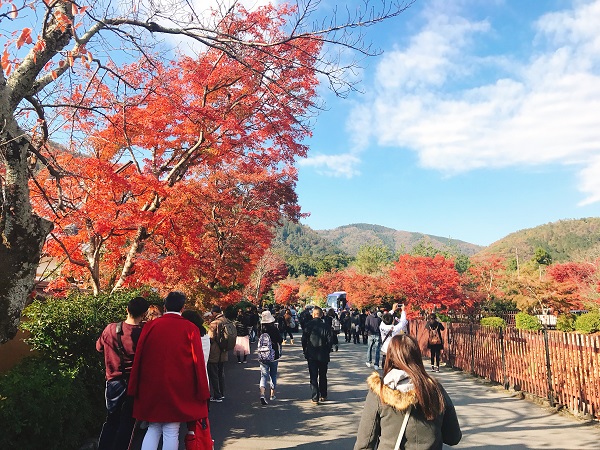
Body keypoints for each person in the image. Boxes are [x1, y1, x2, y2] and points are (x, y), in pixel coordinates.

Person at [127, 292, 210, 450]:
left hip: (151, 386)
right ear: (182, 307)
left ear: (164, 306)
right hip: (179, 387)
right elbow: (198, 363)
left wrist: (134, 387)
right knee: (172, 430)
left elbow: (139, 358)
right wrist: (203, 392)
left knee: (153, 427)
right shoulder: (191, 328)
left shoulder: (150, 326)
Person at [354, 334, 462, 450]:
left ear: (390, 357)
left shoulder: (379, 392)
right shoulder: (435, 389)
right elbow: (453, 437)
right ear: (417, 356)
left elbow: (365, 443)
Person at [96, 296, 149, 450]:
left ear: (127, 309)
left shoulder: (111, 328)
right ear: (145, 314)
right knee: (128, 422)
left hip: (113, 381)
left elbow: (99, 347)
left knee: (111, 420)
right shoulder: (144, 333)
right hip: (135, 383)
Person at [301, 306, 333, 404]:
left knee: (313, 376)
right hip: (323, 354)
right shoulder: (326, 326)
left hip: (311, 354)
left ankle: (315, 397)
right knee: (323, 375)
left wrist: (305, 351)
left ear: (313, 314)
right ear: (321, 315)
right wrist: (327, 350)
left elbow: (304, 340)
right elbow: (330, 341)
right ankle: (323, 394)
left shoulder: (308, 326)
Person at [257, 310, 283, 405]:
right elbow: (280, 340)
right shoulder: (274, 329)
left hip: (263, 355)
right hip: (273, 355)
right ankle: (272, 394)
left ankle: (262, 394)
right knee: (273, 375)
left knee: (263, 375)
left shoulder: (260, 330)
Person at [207, 305, 228, 401]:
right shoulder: (226, 321)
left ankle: (217, 395)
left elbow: (210, 338)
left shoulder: (214, 323)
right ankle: (222, 393)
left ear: (214, 313)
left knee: (214, 374)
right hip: (224, 351)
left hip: (215, 352)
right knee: (221, 373)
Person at [379, 303, 408, 368]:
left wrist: (392, 310)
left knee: (385, 368)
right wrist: (403, 310)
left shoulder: (381, 326)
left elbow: (385, 318)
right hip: (392, 351)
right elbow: (403, 322)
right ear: (392, 321)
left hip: (384, 350)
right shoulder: (394, 329)